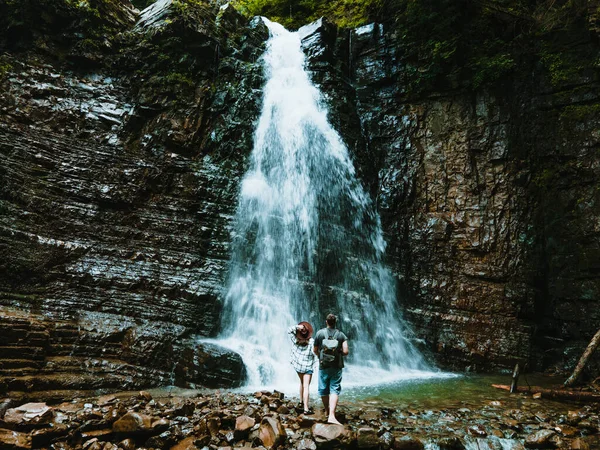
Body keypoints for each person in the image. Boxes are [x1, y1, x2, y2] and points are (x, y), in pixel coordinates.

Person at [313, 313, 349, 425]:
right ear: (335, 322)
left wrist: (320, 356)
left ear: (326, 322)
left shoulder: (319, 333)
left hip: (323, 365)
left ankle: (327, 411)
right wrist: (338, 352)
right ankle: (332, 415)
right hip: (336, 366)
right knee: (334, 389)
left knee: (323, 389)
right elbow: (346, 351)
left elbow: (315, 350)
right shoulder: (341, 335)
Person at [287, 321, 316, 414]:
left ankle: (301, 402)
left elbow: (289, 330)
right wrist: (316, 365)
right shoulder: (311, 341)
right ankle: (306, 409)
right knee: (306, 386)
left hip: (298, 366)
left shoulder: (295, 340)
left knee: (302, 383)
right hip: (308, 367)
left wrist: (298, 327)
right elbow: (314, 354)